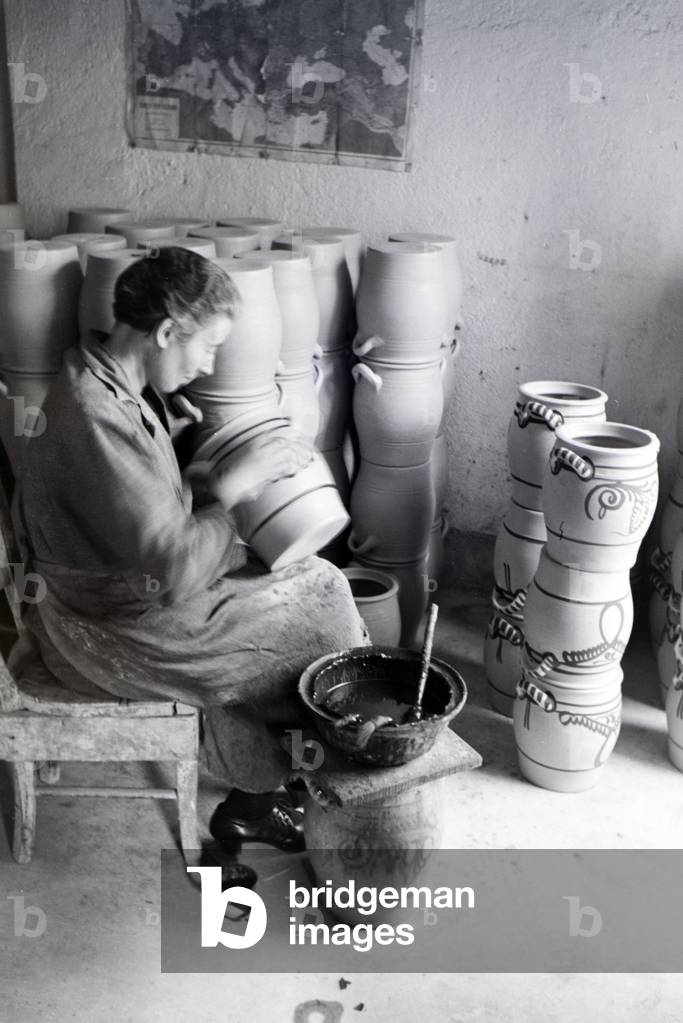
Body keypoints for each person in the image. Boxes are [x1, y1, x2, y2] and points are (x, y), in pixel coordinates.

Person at [14, 247, 367, 877]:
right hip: (108, 628)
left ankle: (256, 799)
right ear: (167, 331)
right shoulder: (94, 415)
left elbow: (137, 513)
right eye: (206, 347)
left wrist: (195, 473)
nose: (208, 364)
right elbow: (171, 570)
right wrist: (233, 489)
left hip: (123, 595)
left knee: (304, 587)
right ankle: (293, 791)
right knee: (322, 610)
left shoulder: (105, 376)